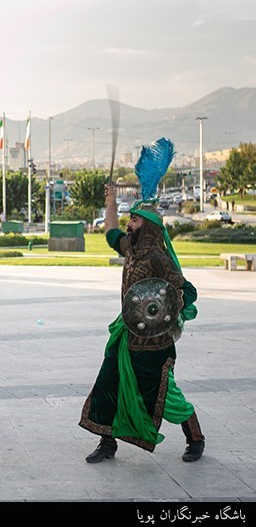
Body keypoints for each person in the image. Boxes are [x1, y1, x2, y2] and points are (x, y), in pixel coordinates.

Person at [79, 185, 204, 463]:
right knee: (109, 385)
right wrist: (110, 202)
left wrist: (165, 309)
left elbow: (187, 290)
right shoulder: (132, 249)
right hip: (125, 335)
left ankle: (195, 438)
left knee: (167, 396)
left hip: (154, 344)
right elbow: (111, 233)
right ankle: (107, 443)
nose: (128, 223)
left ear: (147, 226)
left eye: (134, 219)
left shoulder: (157, 257)